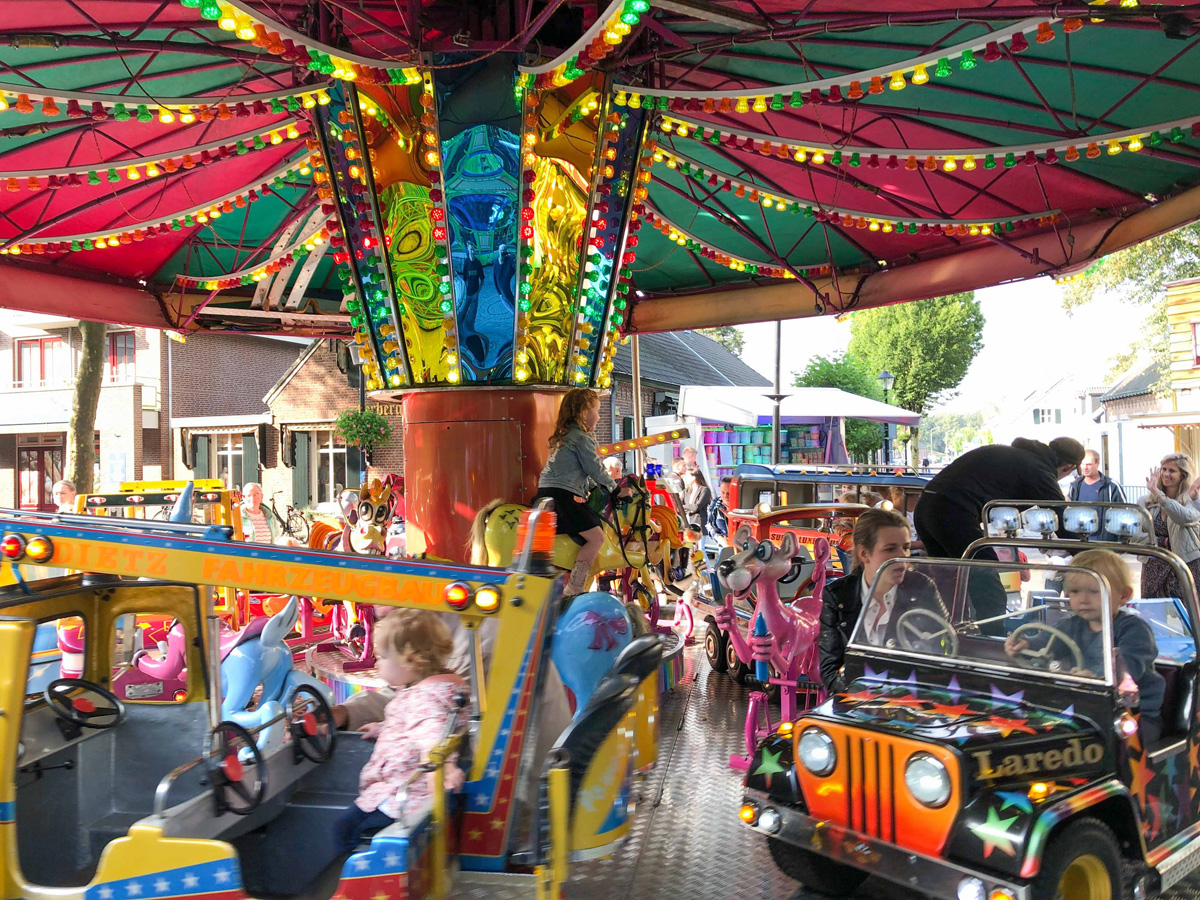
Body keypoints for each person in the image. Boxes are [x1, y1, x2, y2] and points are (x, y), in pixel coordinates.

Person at [333, 610, 467, 853]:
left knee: (344, 828)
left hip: (404, 796)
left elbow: (433, 736)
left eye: (383, 657)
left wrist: (445, 767)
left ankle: (357, 874)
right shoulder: (441, 689)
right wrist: (383, 728)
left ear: (410, 660)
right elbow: (416, 725)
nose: (377, 664)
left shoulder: (423, 699)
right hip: (408, 790)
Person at [914, 437, 1085, 627]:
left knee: (949, 582)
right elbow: (1062, 521)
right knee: (987, 582)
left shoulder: (1020, 457)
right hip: (951, 510)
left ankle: (948, 632)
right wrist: (1089, 556)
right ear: (1068, 467)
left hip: (926, 506)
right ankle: (991, 636)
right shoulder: (1040, 470)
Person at [1004, 549, 1163, 743]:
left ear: (1123, 595)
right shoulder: (1071, 624)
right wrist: (1026, 644)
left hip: (1132, 712)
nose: (1083, 599)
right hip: (1086, 707)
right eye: (1075, 591)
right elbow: (1049, 642)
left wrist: (1098, 678)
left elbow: (1129, 667)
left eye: (1094, 591)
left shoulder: (1134, 630)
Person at [818, 508, 949, 693]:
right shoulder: (837, 594)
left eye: (906, 547)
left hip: (909, 701)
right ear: (864, 554)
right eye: (890, 549)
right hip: (853, 701)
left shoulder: (923, 588)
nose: (902, 556)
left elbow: (942, 652)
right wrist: (860, 696)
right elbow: (829, 668)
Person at [532, 388, 629, 596]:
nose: (599, 416)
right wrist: (616, 489)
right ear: (584, 412)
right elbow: (594, 468)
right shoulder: (581, 437)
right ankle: (575, 587)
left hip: (547, 491)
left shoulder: (565, 435)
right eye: (597, 411)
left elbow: (582, 472)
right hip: (561, 495)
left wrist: (593, 487)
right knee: (597, 538)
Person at [1139, 454, 1200, 601]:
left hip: (1184, 564)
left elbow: (1184, 517)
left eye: (1172, 471)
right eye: (1164, 469)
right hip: (1153, 566)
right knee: (1153, 611)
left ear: (1183, 475)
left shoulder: (1192, 498)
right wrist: (1162, 542)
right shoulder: (1145, 502)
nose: (1166, 474)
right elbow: (1135, 536)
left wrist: (1158, 494)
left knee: (1185, 612)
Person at [1067, 450, 1127, 541]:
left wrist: (1120, 542)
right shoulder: (1075, 486)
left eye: (1089, 464)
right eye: (1082, 464)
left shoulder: (1111, 486)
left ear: (1097, 463)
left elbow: (1123, 514)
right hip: (1080, 541)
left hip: (1104, 542)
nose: (1085, 468)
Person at [707, 475, 732, 541]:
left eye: (729, 493)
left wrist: (733, 518)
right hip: (723, 545)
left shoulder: (742, 506)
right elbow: (709, 525)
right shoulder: (716, 503)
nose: (725, 496)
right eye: (723, 492)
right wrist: (719, 538)